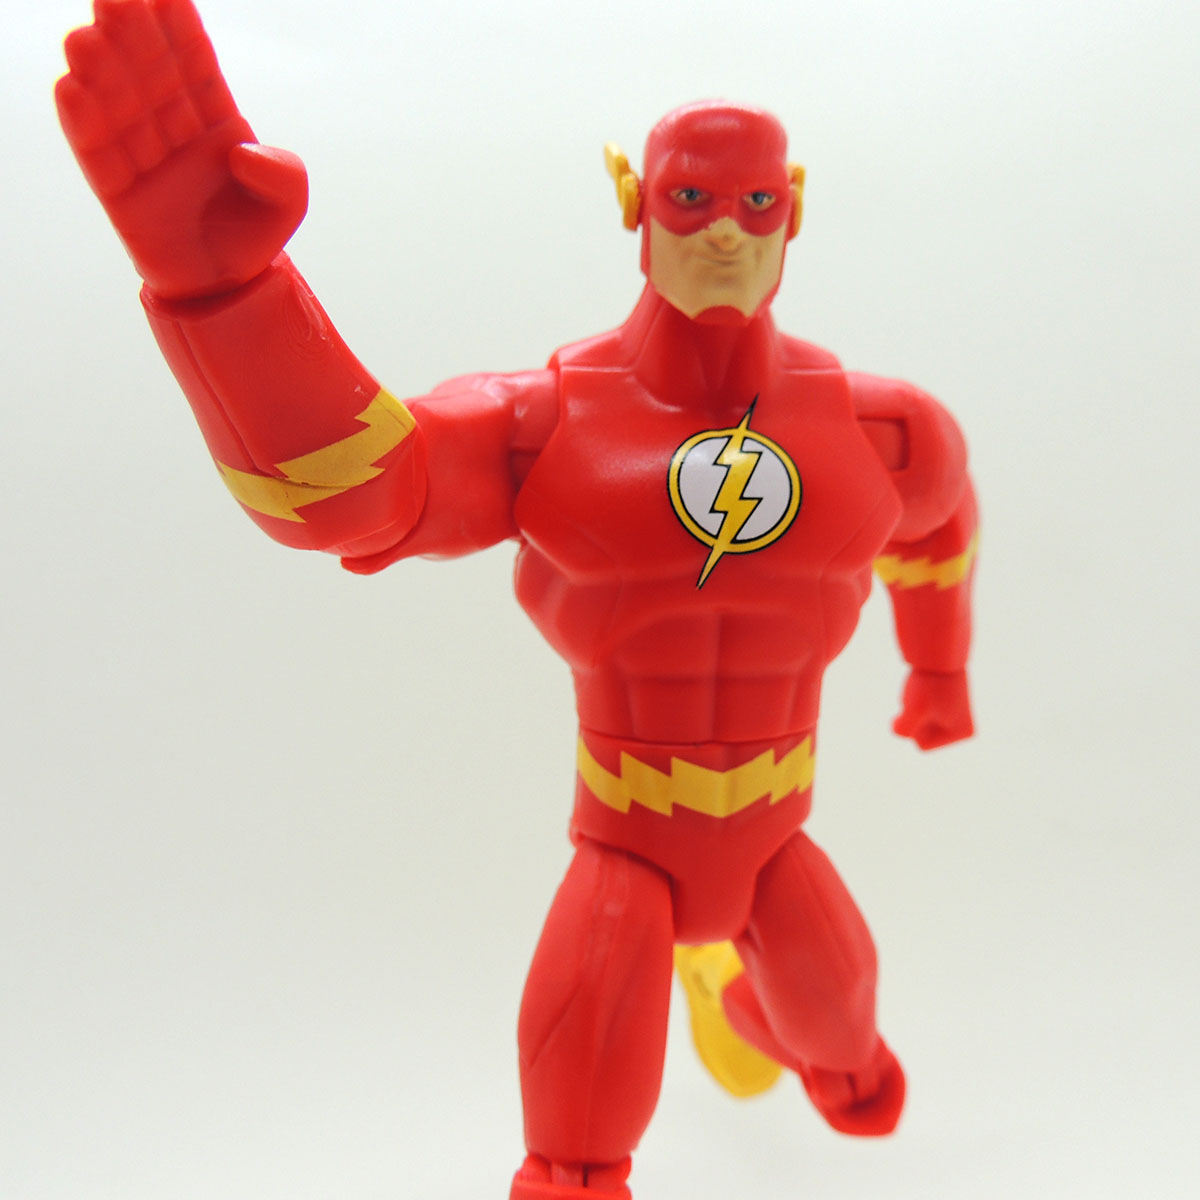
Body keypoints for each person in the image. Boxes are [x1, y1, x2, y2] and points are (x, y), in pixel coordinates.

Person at [57, 3, 978, 1197]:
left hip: (774, 824)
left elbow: (941, 523)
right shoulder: (550, 424)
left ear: (793, 206)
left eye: (755, 202)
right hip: (630, 830)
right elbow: (348, 494)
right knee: (579, 1143)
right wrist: (226, 288)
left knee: (848, 1047)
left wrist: (938, 669)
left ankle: (747, 1006)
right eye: (691, 199)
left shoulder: (879, 427)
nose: (723, 231)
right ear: (635, 202)